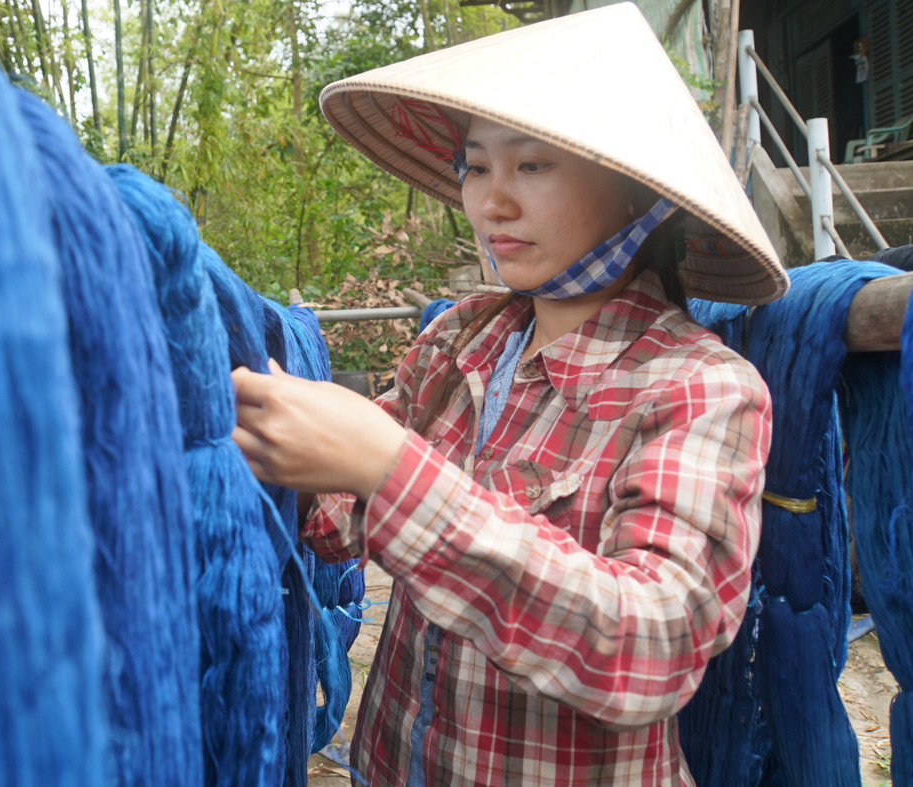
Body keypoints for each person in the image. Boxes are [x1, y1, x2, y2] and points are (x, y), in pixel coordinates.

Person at [231, 5, 789, 785]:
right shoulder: (462, 339)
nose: (492, 202)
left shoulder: (701, 387)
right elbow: (337, 516)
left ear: (635, 189)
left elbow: (651, 644)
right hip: (392, 762)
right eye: (476, 164)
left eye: (532, 166)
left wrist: (391, 469)